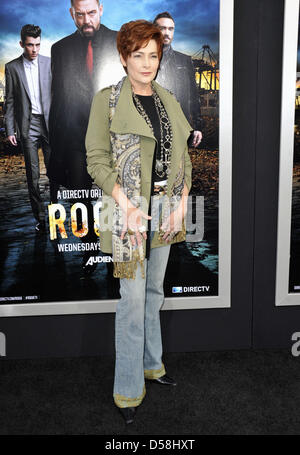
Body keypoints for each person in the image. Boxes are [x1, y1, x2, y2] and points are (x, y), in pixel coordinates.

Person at [86, 20, 193, 424]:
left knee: (153, 292)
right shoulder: (106, 100)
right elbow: (95, 159)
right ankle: (128, 392)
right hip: (127, 211)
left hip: (165, 208)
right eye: (138, 55)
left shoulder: (168, 99)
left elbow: (182, 155)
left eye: (153, 55)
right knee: (131, 302)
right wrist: (126, 204)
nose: (146, 63)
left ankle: (153, 366)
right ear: (124, 58)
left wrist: (182, 201)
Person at [48, 0, 124, 272]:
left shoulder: (120, 41)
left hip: (114, 138)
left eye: (91, 13)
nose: (86, 20)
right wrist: (55, 150)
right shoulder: (60, 49)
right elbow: (58, 100)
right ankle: (90, 248)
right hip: (75, 138)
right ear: (72, 14)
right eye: (80, 15)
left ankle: (115, 249)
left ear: (101, 9)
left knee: (113, 197)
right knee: (79, 198)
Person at [4, 24, 56, 232]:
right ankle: (41, 218)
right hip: (28, 125)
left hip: (49, 123)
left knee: (54, 171)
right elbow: (9, 101)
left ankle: (55, 211)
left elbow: (58, 95)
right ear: (21, 44)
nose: (34, 50)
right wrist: (10, 129)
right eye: (30, 45)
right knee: (32, 174)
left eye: (37, 45)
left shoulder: (50, 63)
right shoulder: (12, 67)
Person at [153, 11, 202, 147]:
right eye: (162, 28)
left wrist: (197, 127)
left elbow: (193, 95)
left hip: (179, 128)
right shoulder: (142, 60)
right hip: (150, 129)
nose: (167, 32)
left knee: (178, 167)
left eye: (170, 29)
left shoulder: (185, 61)